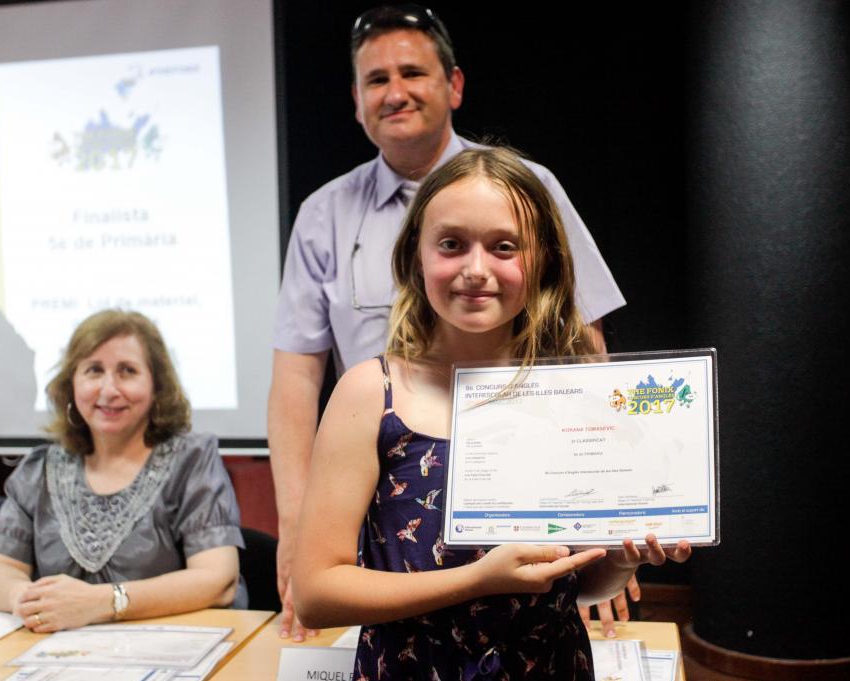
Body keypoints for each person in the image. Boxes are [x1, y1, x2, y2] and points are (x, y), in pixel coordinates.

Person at [270, 4, 631, 641]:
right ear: (355, 100)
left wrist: (606, 509)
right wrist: (300, 530)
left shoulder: (529, 187)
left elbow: (587, 343)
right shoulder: (323, 214)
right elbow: (297, 380)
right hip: (386, 495)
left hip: (523, 466)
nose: (396, 92)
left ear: (454, 85)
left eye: (413, 72)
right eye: (376, 80)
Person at [292, 147, 690, 681]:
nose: (476, 270)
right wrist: (478, 580)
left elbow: (577, 586)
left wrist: (624, 558)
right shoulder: (371, 393)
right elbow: (317, 594)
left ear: (543, 260)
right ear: (416, 254)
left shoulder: (574, 394)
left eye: (504, 247)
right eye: (452, 245)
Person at [0, 310, 246, 632]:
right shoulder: (41, 468)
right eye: (93, 371)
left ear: (157, 386)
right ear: (71, 383)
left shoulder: (193, 461)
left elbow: (218, 579)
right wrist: (24, 597)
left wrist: (103, 603)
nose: (108, 389)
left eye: (127, 371)